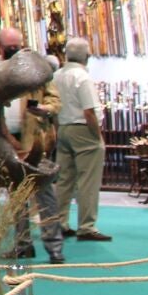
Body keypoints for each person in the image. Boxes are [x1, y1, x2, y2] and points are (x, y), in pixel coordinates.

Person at [0, 28, 62, 263]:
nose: (15, 50)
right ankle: (23, 244)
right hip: (7, 142)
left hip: (35, 141)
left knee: (44, 193)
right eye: (10, 47)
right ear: (0, 47)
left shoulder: (37, 69)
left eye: (18, 45)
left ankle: (55, 247)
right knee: (16, 196)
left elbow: (55, 100)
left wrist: (45, 109)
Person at [52, 38, 110, 242]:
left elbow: (53, 106)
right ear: (87, 56)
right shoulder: (82, 77)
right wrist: (98, 135)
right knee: (88, 180)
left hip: (63, 127)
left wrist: (58, 129)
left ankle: (59, 222)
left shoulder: (56, 76)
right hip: (83, 129)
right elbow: (89, 112)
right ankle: (86, 226)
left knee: (64, 179)